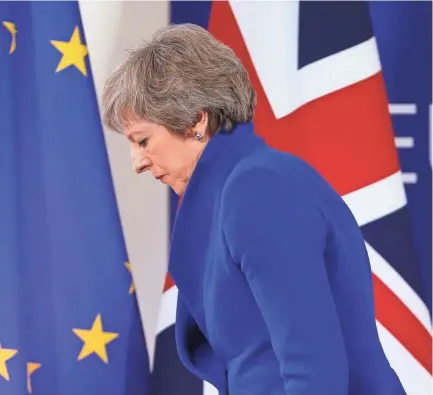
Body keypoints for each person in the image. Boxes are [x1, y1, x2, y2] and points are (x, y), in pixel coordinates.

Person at [102, 23, 407, 395]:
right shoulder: (236, 189)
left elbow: (312, 368)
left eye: (143, 140)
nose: (137, 163)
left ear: (196, 120)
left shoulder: (257, 190)